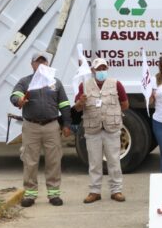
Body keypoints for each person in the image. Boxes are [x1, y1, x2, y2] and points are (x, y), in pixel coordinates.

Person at [10, 52, 71, 207]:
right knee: (30, 160)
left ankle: (54, 194)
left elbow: (64, 104)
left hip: (51, 126)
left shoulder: (55, 83)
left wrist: (66, 124)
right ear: (32, 65)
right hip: (31, 127)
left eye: (44, 62)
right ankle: (30, 194)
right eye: (38, 62)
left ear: (48, 64)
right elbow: (15, 95)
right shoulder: (25, 82)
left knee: (54, 160)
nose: (41, 64)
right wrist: (19, 100)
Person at [74, 58, 129, 203]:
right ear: (92, 70)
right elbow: (78, 108)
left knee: (114, 161)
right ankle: (94, 191)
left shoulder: (116, 84)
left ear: (107, 69)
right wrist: (81, 101)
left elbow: (125, 104)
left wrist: (112, 114)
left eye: (104, 68)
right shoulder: (84, 86)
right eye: (98, 69)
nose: (101, 71)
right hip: (93, 130)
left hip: (112, 128)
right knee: (94, 162)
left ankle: (116, 190)